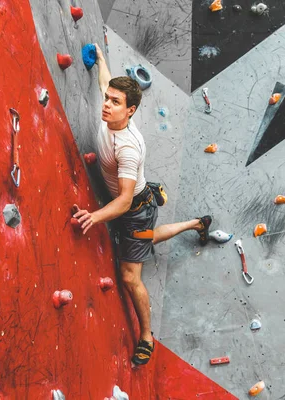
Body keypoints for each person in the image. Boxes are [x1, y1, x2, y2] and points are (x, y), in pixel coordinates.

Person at [73, 44, 213, 366]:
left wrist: (94, 217)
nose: (106, 106)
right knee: (148, 238)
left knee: (129, 277)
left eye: (115, 102)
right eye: (107, 99)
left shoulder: (128, 149)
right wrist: (101, 61)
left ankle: (146, 336)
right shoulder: (115, 112)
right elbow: (105, 81)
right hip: (135, 204)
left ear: (131, 110)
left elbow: (122, 201)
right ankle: (196, 223)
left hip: (133, 211)